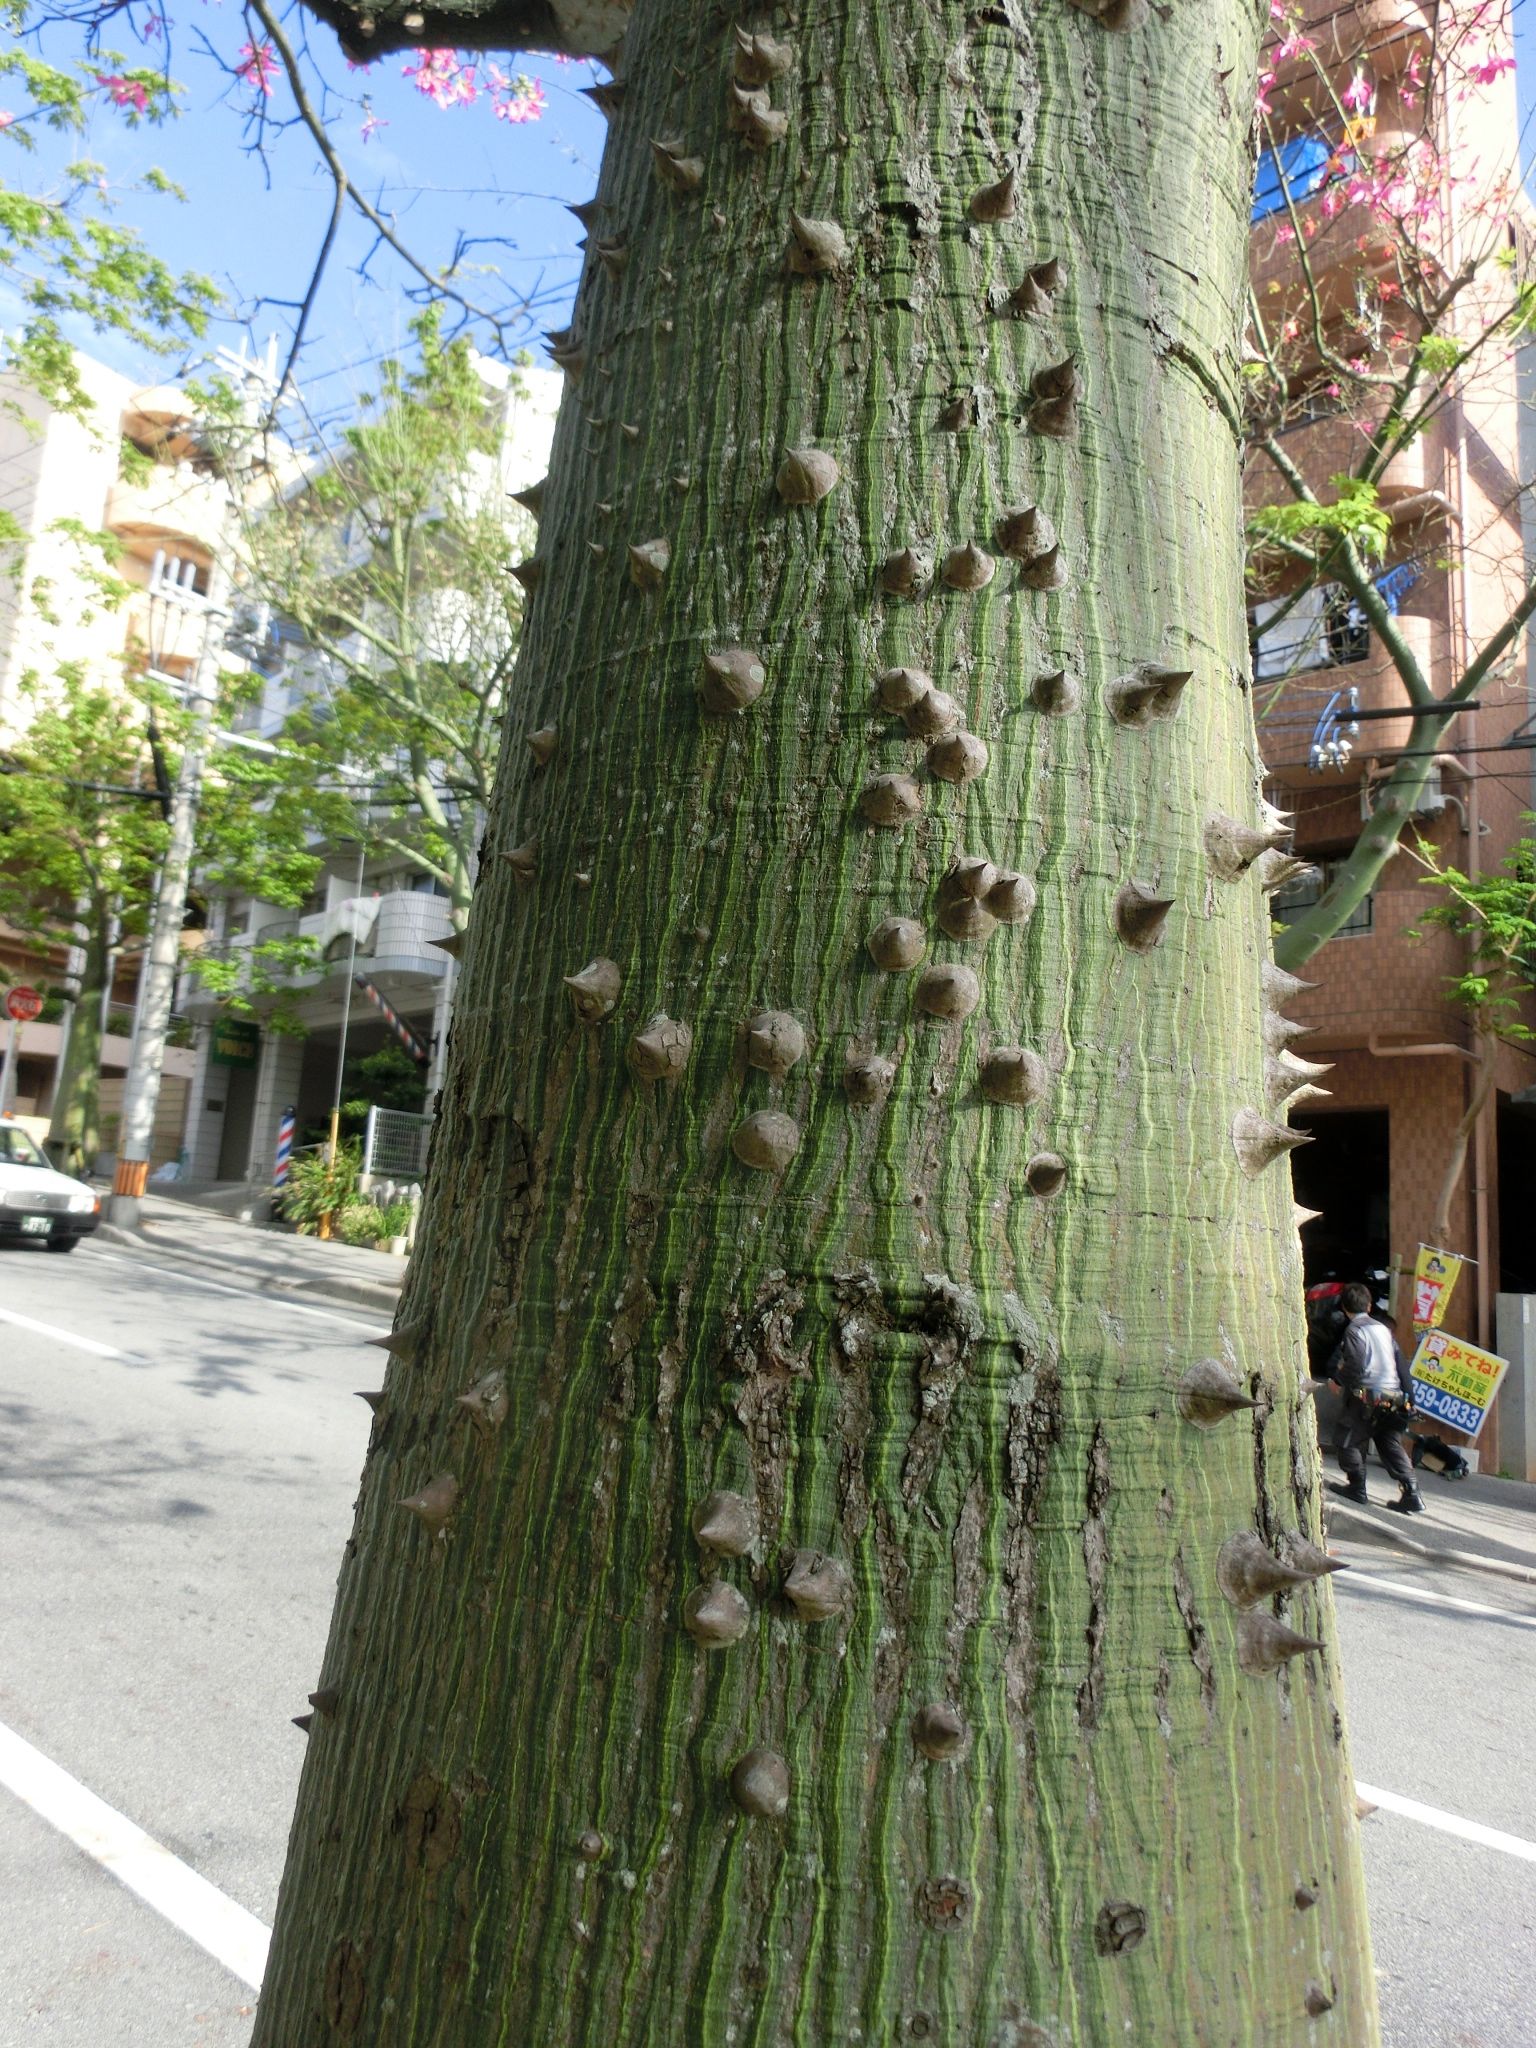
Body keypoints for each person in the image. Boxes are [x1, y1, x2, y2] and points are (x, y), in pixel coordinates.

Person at [1327, 1282, 1424, 1514]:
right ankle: (1412, 1492)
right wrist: (1410, 1398)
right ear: (1369, 1305)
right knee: (1388, 1441)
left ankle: (1357, 1487)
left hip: (1367, 1395)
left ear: (1344, 1308)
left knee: (1347, 1437)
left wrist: (1338, 1380)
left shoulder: (1354, 1330)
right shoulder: (1383, 1330)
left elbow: (1357, 1363)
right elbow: (1401, 1365)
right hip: (1395, 1396)